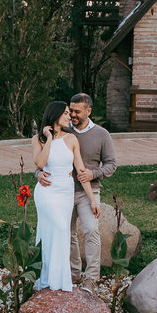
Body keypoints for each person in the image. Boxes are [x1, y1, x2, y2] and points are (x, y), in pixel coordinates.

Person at [36, 93, 117, 292]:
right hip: (60, 192)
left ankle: (91, 278)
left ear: (88, 111)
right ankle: (72, 274)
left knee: (91, 229)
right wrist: (38, 173)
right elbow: (43, 160)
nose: (71, 115)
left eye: (76, 111)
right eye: (69, 111)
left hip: (87, 189)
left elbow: (111, 165)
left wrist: (93, 174)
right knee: (68, 233)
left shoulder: (101, 134)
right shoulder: (63, 129)